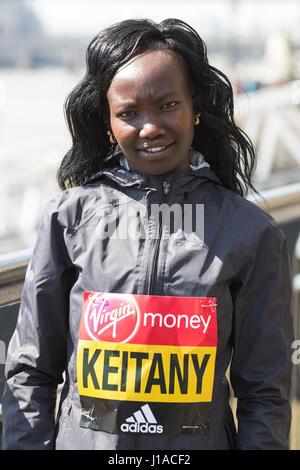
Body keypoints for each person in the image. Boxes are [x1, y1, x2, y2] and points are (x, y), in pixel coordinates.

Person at [2, 18, 294, 450]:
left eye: (168, 105)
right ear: (107, 119)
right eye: (128, 113)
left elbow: (264, 395)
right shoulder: (68, 219)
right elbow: (30, 374)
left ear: (195, 103)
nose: (150, 126)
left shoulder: (252, 234)